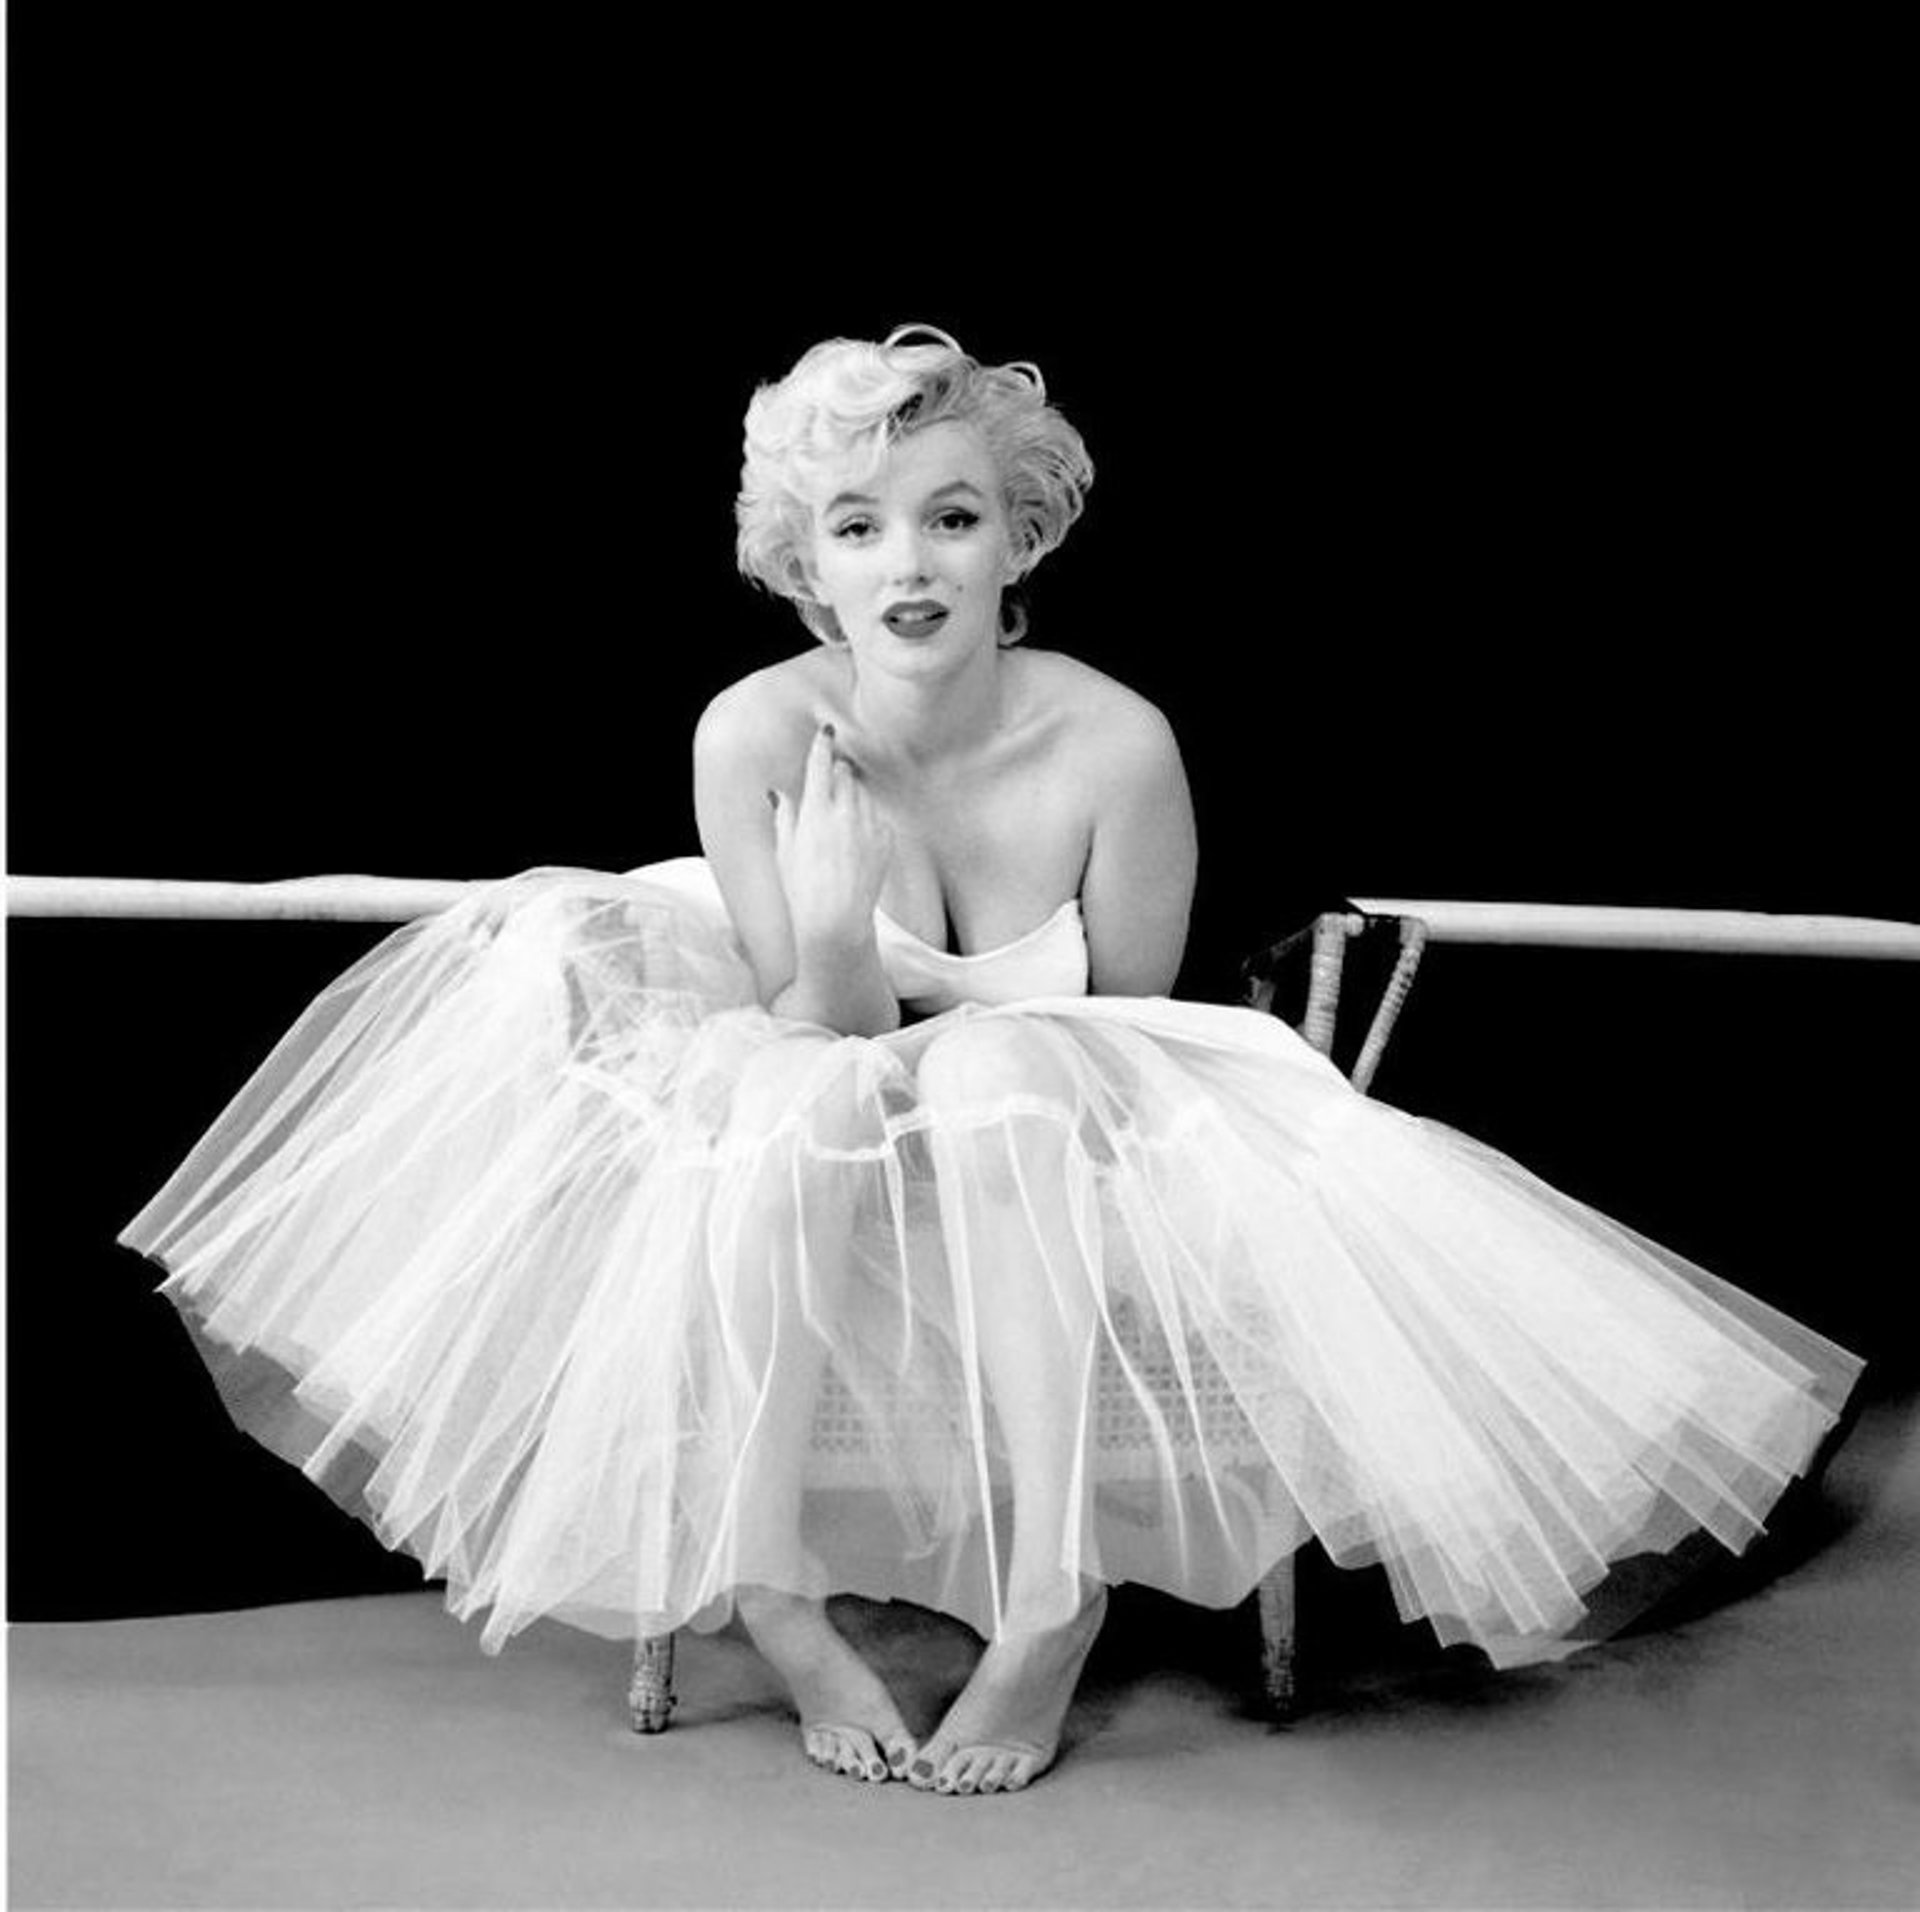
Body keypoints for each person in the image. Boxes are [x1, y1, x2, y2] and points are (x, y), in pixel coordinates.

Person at [121, 325, 1864, 1799]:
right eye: (859, 528)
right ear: (805, 567)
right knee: (797, 1097)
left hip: (1055, 1140)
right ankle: (773, 1592)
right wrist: (830, 930)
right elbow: (813, 1038)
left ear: (1017, 541)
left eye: (952, 519)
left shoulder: (1118, 746)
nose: (910, 566)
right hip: (821, 1109)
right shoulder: (754, 733)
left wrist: (947, 1051)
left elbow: (1132, 1033)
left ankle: (1050, 1599)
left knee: (1000, 1074)